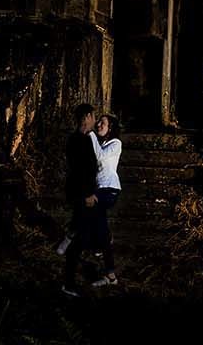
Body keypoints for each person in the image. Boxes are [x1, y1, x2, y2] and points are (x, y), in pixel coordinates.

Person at [60, 103, 97, 297]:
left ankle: (67, 238)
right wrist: (88, 194)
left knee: (81, 230)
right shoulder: (79, 141)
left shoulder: (81, 139)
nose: (95, 120)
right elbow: (81, 171)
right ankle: (68, 282)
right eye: (93, 116)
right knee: (82, 237)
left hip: (80, 192)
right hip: (82, 194)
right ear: (87, 117)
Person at [84, 114, 122, 287]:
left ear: (111, 128)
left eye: (103, 123)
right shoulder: (100, 144)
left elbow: (100, 157)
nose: (99, 124)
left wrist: (90, 133)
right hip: (99, 189)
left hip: (110, 189)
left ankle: (99, 242)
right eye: (98, 122)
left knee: (94, 217)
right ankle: (111, 276)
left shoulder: (116, 144)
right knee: (98, 226)